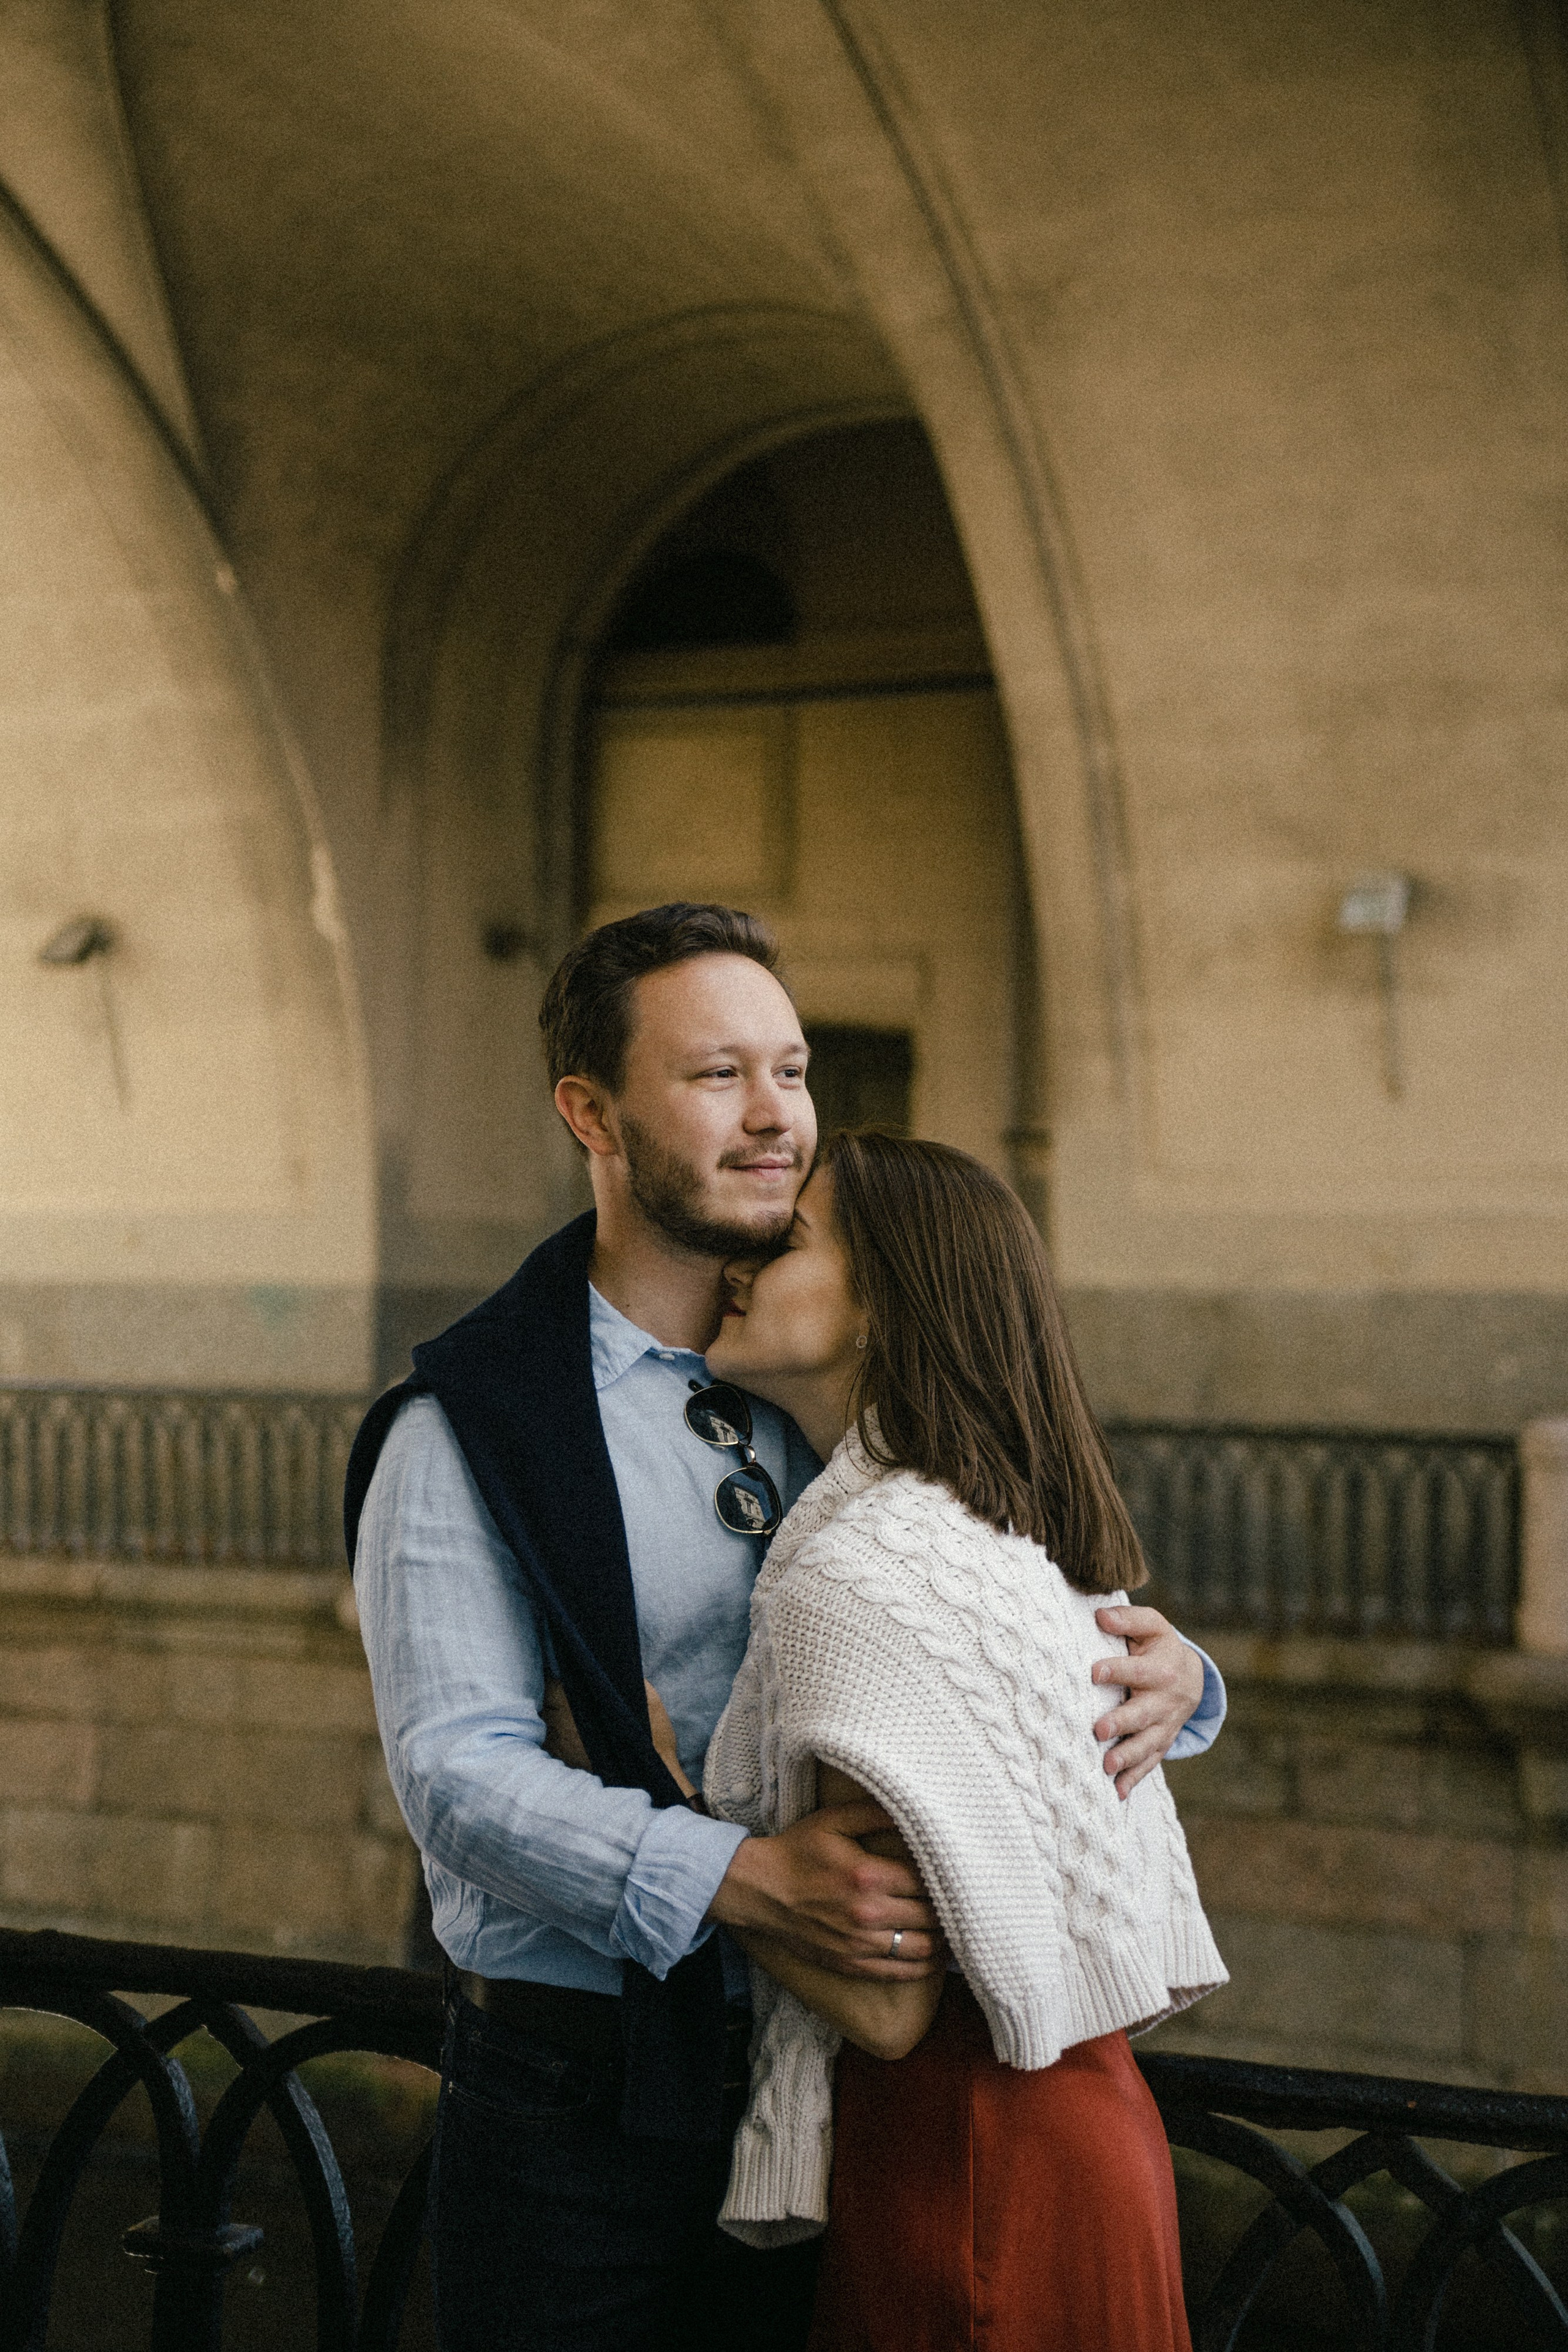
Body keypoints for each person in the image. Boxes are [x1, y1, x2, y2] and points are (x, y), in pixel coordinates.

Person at [344, 902, 1226, 2352]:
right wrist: (736, 1875)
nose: (778, 1120)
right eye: (716, 1078)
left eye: (794, 1071)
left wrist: (1179, 1678)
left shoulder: (832, 1381)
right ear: (593, 1112)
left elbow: (1003, 1597)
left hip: (827, 2085)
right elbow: (453, 1774)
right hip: (581, 2093)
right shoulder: (467, 1429)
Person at [696, 1129, 1227, 2350]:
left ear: (883, 1302)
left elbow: (887, 2011)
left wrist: (659, 1801)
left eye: (787, 1242)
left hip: (966, 2170)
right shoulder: (1001, 1533)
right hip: (1088, 2148)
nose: (740, 1263)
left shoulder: (862, 1570)